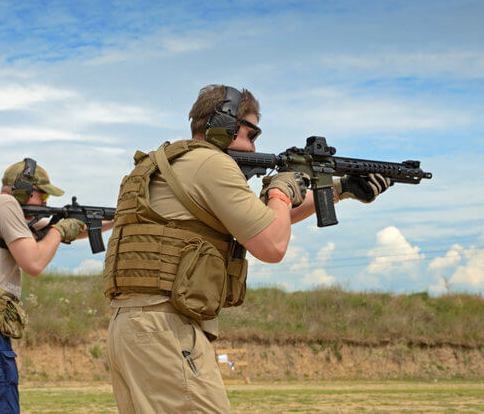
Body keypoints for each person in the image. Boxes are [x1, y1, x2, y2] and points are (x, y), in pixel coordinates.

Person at [102, 84, 391, 413]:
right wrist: (281, 190)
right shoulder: (212, 165)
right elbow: (272, 245)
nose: (255, 147)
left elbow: (259, 226)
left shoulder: (170, 164)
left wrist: (339, 189)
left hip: (132, 326)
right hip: (166, 329)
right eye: (251, 134)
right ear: (226, 126)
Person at [0, 158, 110, 413]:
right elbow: (34, 263)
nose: (45, 203)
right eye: (42, 196)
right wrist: (59, 231)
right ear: (21, 190)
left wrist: (116, 220)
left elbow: (65, 229)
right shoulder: (5, 205)